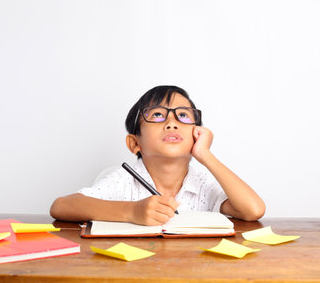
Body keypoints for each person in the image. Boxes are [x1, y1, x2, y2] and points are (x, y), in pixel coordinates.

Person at [50, 85, 265, 225]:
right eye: (158, 115)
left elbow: (253, 210)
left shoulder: (202, 183)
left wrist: (205, 155)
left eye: (182, 115)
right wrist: (132, 212)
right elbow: (61, 206)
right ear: (135, 143)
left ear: (197, 134)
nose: (172, 123)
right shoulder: (124, 180)